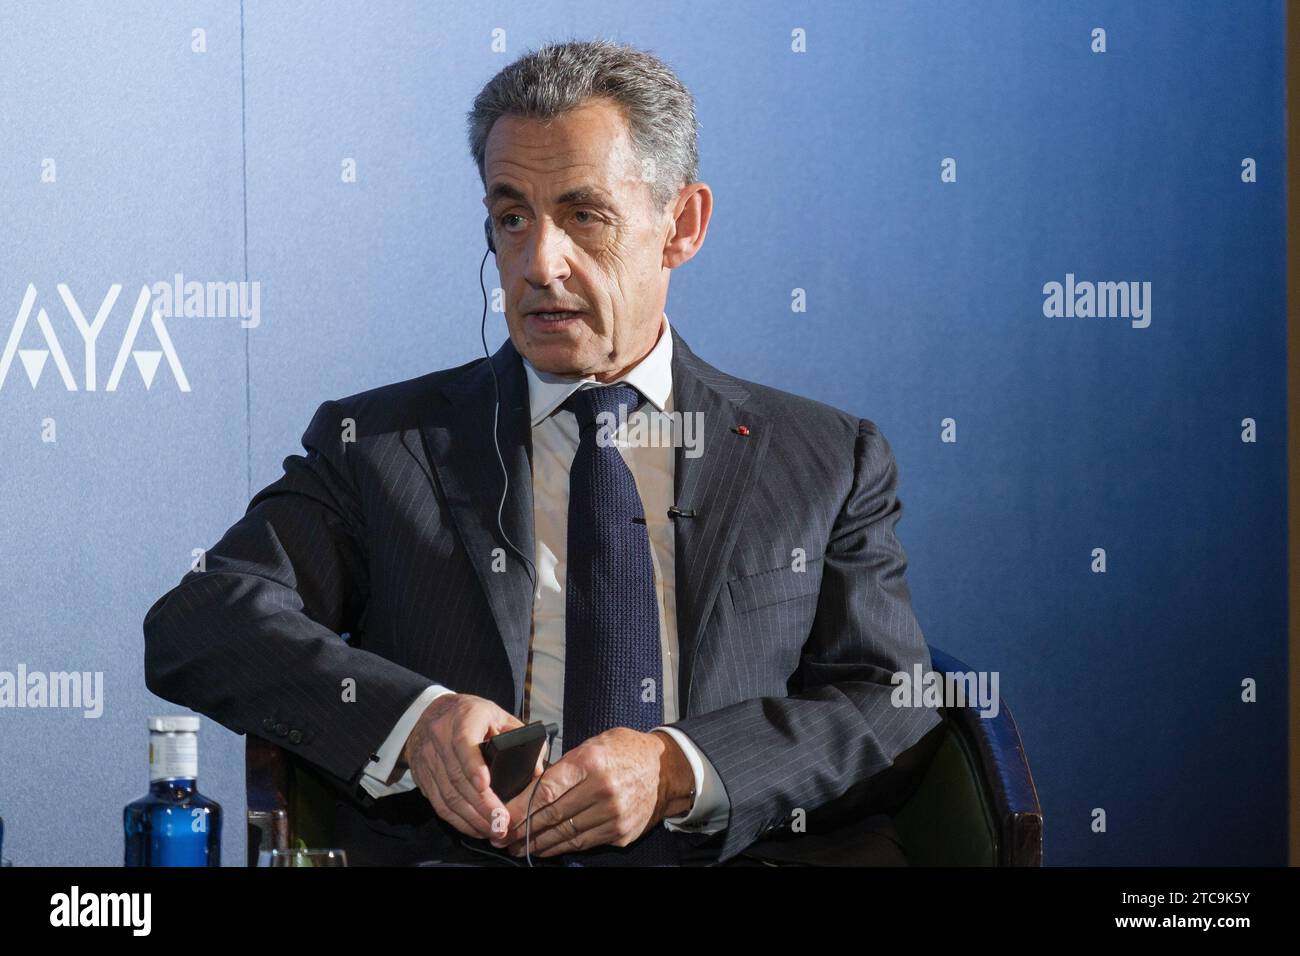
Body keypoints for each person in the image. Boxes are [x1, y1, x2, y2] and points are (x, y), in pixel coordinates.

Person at [143, 38, 944, 867]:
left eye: (584, 215)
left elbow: (890, 700)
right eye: (512, 217)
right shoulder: (381, 445)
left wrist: (676, 770)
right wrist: (417, 722)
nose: (537, 264)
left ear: (683, 225)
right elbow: (201, 622)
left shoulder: (822, 455)